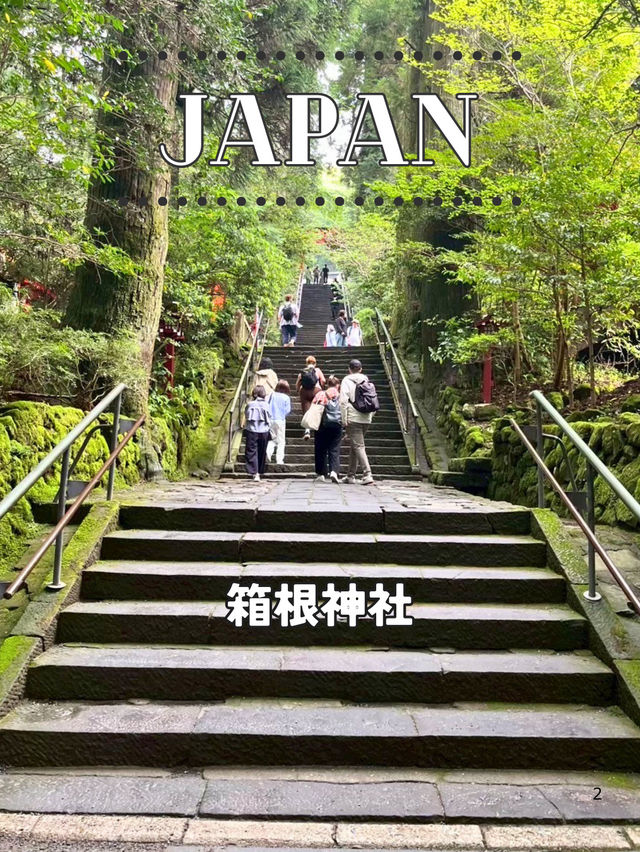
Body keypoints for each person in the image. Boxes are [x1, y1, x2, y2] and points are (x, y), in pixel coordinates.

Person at [339, 358, 378, 486]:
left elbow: (343, 401)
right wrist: (370, 416)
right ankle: (350, 475)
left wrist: (344, 420)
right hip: (366, 418)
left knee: (358, 446)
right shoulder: (366, 380)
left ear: (349, 369)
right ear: (361, 369)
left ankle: (367, 474)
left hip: (353, 417)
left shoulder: (346, 380)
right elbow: (373, 400)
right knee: (355, 446)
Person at [313, 376, 342, 483]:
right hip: (337, 424)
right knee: (334, 448)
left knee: (320, 449)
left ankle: (321, 473)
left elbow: (313, 407)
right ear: (338, 385)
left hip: (322, 424)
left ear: (327, 384)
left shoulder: (320, 394)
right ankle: (334, 471)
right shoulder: (341, 396)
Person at [244, 386, 271, 481]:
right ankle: (259, 471)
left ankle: (254, 473)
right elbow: (270, 417)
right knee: (262, 451)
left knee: (252, 451)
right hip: (264, 431)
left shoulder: (250, 404)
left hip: (252, 430)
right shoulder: (267, 405)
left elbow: (246, 415)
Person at [296, 355, 326, 441]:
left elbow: (298, 383)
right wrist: (322, 387)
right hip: (316, 391)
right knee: (317, 409)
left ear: (306, 363)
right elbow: (323, 380)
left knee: (306, 410)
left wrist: (298, 390)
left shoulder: (303, 371)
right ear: (315, 363)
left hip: (304, 392)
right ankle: (318, 428)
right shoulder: (318, 370)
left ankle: (307, 431)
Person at [266, 380, 291, 471]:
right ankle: (279, 460)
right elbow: (287, 410)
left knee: (272, 439)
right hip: (280, 420)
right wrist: (282, 414)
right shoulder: (286, 397)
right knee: (281, 441)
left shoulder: (272, 395)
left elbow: (267, 405)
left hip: (270, 420)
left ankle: (268, 454)